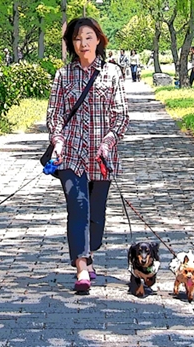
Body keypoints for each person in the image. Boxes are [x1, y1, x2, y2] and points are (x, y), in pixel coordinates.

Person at [46, 17, 130, 295]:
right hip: (71, 155)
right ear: (71, 44)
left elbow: (121, 116)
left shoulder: (112, 73)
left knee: (96, 216)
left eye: (88, 37)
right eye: (77, 39)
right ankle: (81, 267)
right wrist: (58, 142)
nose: (83, 43)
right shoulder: (63, 75)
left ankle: (89, 253)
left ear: (98, 40)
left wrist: (108, 142)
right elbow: (55, 114)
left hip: (101, 157)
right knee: (78, 207)